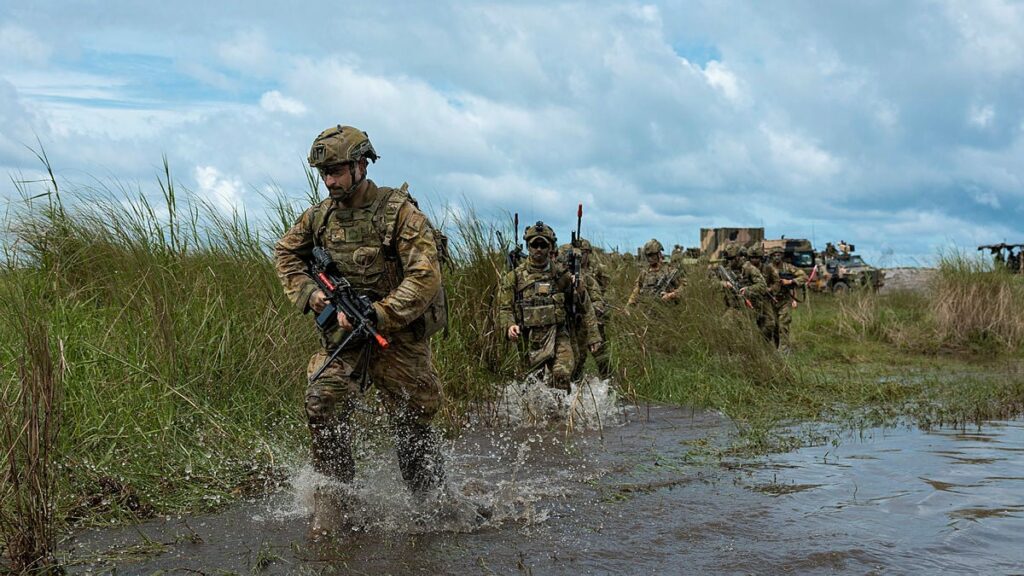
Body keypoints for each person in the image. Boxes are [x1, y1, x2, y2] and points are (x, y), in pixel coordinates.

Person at [274, 125, 446, 539]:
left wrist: (381, 313)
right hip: (345, 340)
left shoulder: (399, 212)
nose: (330, 181)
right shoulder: (319, 217)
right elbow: (285, 254)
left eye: (336, 171)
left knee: (413, 424)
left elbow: (424, 277)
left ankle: (432, 510)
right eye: (323, 174)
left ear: (361, 164)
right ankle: (336, 509)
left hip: (396, 337)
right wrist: (314, 296)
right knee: (322, 404)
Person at [499, 222, 602, 391]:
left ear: (550, 247)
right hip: (529, 338)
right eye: (534, 245)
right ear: (528, 246)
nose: (538, 249)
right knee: (532, 385)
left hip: (558, 334)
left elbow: (585, 304)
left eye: (543, 245)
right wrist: (510, 326)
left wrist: (593, 335)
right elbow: (504, 308)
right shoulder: (514, 277)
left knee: (562, 376)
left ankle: (563, 414)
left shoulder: (561, 275)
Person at [565, 238, 612, 381]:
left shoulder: (597, 270)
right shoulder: (566, 272)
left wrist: (599, 308)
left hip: (594, 316)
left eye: (584, 253)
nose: (581, 256)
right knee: (577, 357)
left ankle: (609, 382)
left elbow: (608, 290)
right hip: (575, 321)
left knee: (601, 354)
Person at [768, 247, 807, 353]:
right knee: (773, 326)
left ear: (782, 256)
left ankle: (784, 352)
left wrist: (790, 281)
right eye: (774, 255)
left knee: (783, 326)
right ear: (771, 256)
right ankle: (775, 349)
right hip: (770, 301)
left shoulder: (788, 267)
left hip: (784, 300)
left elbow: (804, 276)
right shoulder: (767, 268)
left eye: (779, 255)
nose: (777, 257)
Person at [627, 239, 682, 307]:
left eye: (651, 255)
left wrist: (671, 295)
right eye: (647, 256)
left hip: (665, 309)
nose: (649, 258)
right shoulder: (644, 272)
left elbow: (683, 288)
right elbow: (636, 289)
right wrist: (629, 305)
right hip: (645, 309)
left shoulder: (670, 271)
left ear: (659, 254)